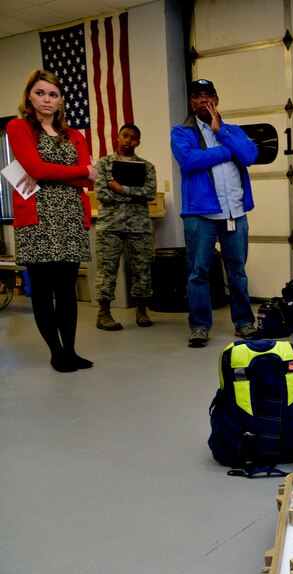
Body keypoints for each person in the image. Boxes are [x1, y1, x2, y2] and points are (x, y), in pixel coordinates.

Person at [7, 70, 98, 373]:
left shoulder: (75, 136)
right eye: (40, 93)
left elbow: (91, 181)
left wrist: (79, 174)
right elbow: (37, 168)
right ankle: (56, 352)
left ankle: (70, 351)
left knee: (67, 289)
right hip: (37, 220)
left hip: (71, 218)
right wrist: (80, 172)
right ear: (29, 97)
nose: (47, 100)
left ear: (61, 101)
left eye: (53, 94)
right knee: (44, 292)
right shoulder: (18, 127)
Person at [170, 79, 259, 348]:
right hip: (200, 214)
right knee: (198, 272)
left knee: (237, 271)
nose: (202, 101)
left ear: (216, 101)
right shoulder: (181, 132)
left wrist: (222, 133)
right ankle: (199, 326)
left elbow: (249, 156)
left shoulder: (232, 130)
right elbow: (189, 160)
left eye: (207, 96)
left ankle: (244, 322)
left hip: (235, 212)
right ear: (191, 102)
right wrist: (226, 150)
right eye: (196, 96)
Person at [93, 123, 158, 330]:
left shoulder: (146, 167)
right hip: (109, 225)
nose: (129, 140)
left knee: (142, 268)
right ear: (118, 138)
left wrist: (122, 189)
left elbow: (150, 193)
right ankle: (104, 314)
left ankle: (141, 311)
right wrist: (133, 193)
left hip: (138, 226)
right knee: (107, 270)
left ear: (138, 141)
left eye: (134, 138)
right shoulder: (104, 164)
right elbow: (102, 194)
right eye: (125, 136)